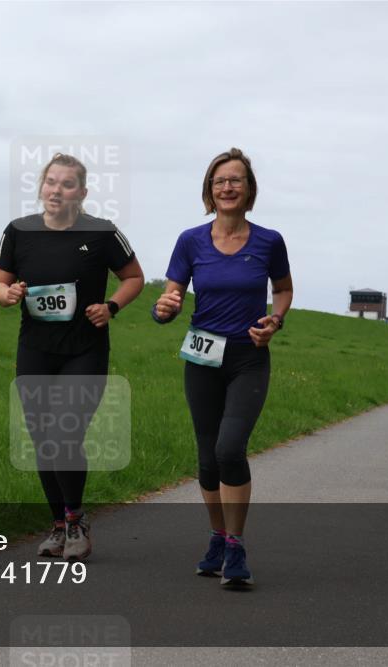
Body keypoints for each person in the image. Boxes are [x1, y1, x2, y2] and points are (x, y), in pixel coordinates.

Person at [0, 152, 144, 561]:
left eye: (67, 184)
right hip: (35, 348)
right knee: (43, 438)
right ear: (41, 187)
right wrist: (8, 295)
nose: (57, 190)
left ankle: (77, 520)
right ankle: (58, 526)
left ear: (83, 192)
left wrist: (110, 307)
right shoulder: (18, 231)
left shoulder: (102, 232)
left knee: (65, 432)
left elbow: (134, 277)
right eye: (51, 182)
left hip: (85, 349)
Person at [153, 148, 292, 585]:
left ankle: (235, 546)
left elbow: (284, 289)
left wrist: (276, 319)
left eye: (235, 180)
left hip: (248, 357)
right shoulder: (190, 241)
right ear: (209, 191)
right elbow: (170, 299)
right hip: (202, 356)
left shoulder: (269, 241)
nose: (227, 187)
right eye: (219, 181)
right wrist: (166, 307)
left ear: (249, 190)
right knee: (208, 458)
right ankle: (216, 536)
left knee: (230, 448)